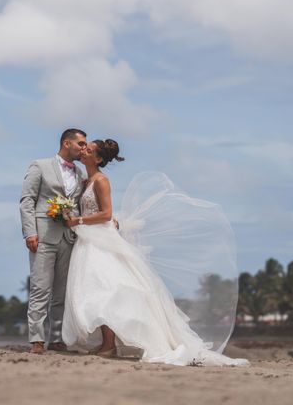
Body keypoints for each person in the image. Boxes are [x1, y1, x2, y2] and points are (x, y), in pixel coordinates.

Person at [61, 139, 248, 366]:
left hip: (100, 239)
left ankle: (109, 344)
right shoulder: (86, 179)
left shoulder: (101, 180)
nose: (83, 151)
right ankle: (107, 343)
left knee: (105, 290)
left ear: (98, 158)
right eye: (84, 148)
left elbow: (106, 214)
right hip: (89, 239)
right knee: (97, 290)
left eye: (88, 150)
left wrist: (77, 220)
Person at [19, 128, 87, 354]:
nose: (84, 149)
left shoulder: (79, 173)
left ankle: (57, 338)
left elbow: (80, 204)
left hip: (69, 237)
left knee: (61, 292)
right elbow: (27, 200)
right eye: (81, 144)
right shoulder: (39, 165)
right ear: (67, 143)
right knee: (40, 288)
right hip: (43, 235)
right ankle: (37, 339)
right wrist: (30, 232)